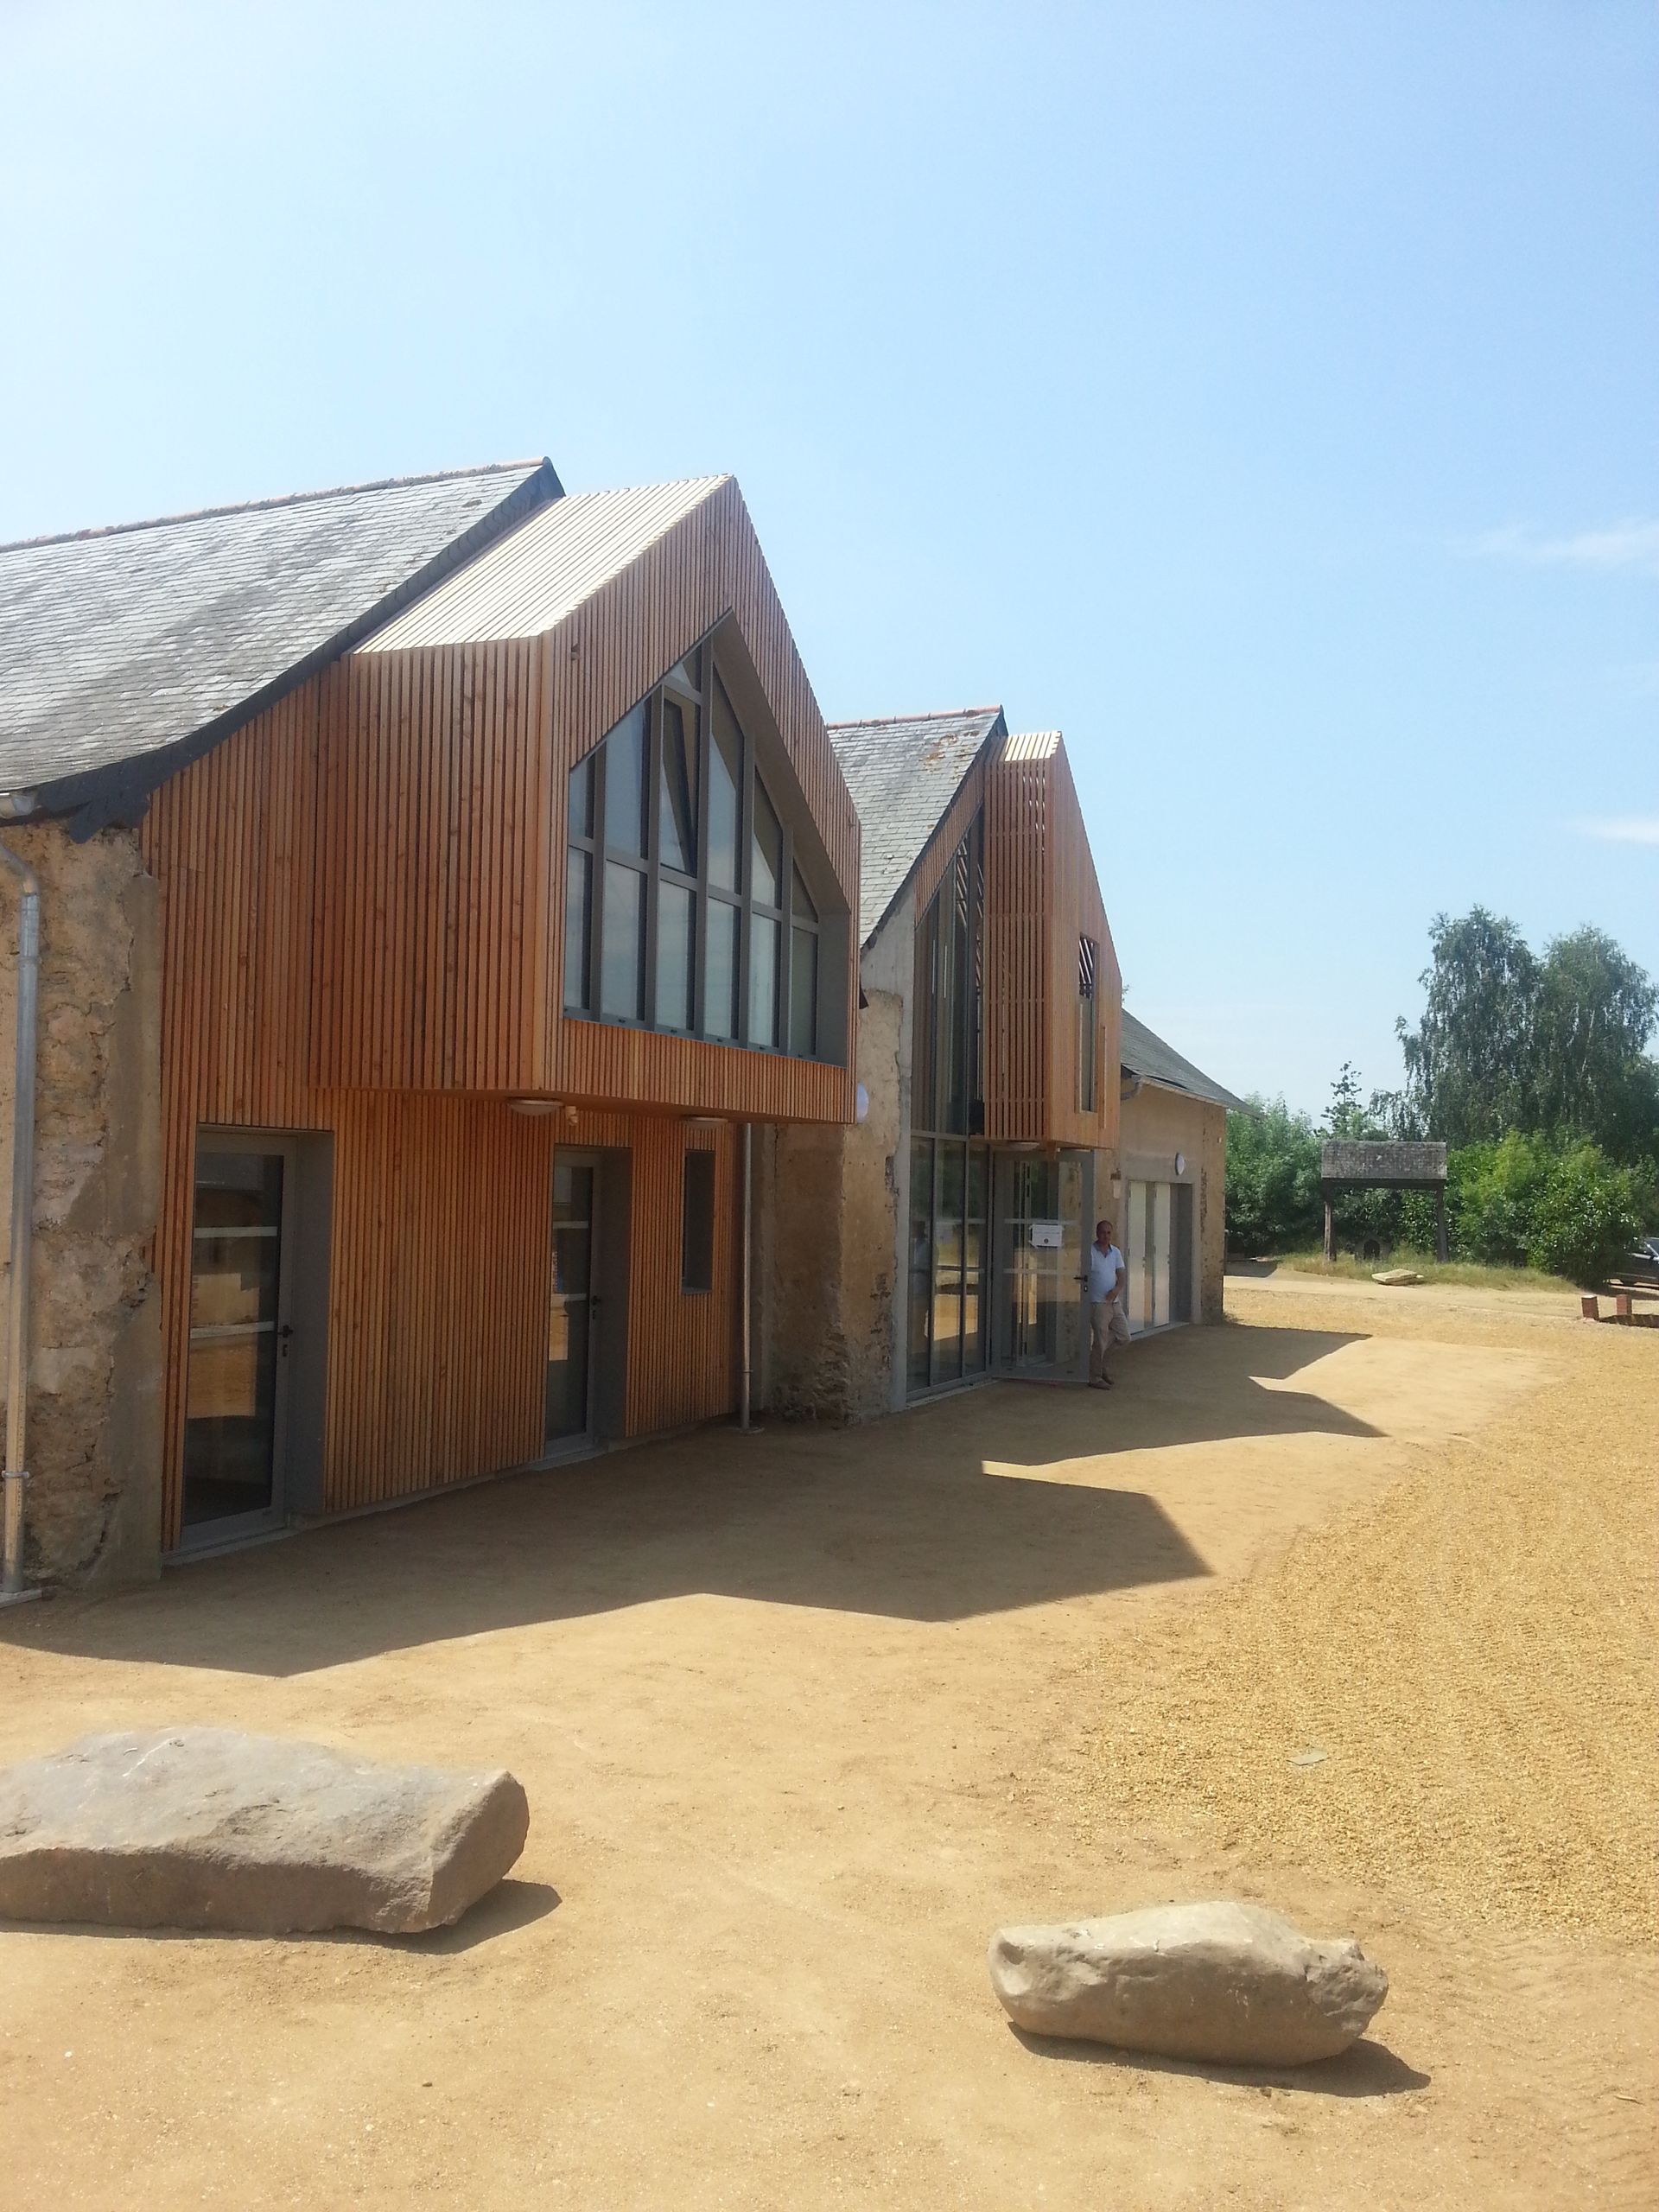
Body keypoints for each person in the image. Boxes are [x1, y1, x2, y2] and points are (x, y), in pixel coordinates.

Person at [1088, 1217, 1129, 1389]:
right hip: (1098, 1304)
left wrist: (1117, 1289)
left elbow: (1121, 1274)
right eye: (1103, 1232)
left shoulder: (1116, 1252)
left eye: (1109, 1233)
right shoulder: (1090, 1251)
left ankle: (1102, 1363)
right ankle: (1095, 1377)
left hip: (1114, 1303)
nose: (1106, 1236)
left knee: (1124, 1336)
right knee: (1100, 1340)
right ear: (1097, 1234)